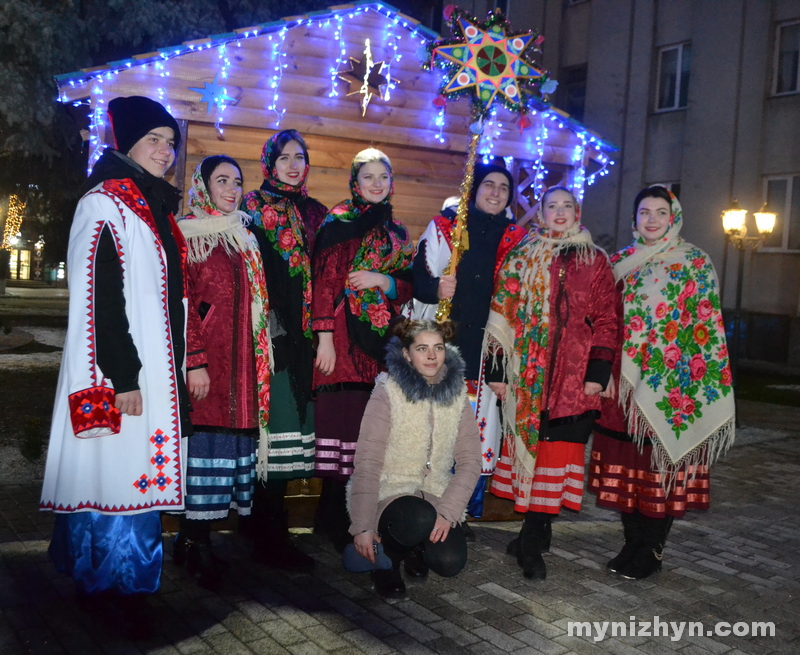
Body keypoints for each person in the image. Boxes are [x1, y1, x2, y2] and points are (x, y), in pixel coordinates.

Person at [39, 96, 189, 622]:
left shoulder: (150, 206)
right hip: (122, 374)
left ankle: (108, 579)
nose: (166, 152)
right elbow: (99, 296)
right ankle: (116, 589)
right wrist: (123, 374)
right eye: (154, 140)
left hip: (151, 368)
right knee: (118, 476)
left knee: (123, 475)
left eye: (171, 143)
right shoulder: (105, 203)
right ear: (127, 143)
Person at [588, 185, 735, 580]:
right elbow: (605, 321)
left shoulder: (694, 262)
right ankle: (632, 542)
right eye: (644, 212)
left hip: (671, 387)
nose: (651, 219)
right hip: (621, 388)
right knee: (627, 469)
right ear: (634, 219)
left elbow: (702, 327)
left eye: (659, 212)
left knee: (658, 467)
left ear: (673, 217)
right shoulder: (619, 262)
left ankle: (651, 549)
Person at [485, 186, 618, 580]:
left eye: (567, 206)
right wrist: (497, 372)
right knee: (531, 451)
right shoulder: (522, 255)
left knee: (557, 459)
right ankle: (535, 533)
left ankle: (530, 539)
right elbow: (501, 315)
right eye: (551, 206)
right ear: (540, 212)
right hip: (526, 376)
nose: (559, 212)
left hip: (574, 381)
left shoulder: (593, 259)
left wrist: (598, 374)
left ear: (577, 212)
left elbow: (608, 319)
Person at [410, 163, 526, 525]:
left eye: (503, 188)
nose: (495, 192)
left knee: (475, 434)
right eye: (488, 185)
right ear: (473, 191)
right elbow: (417, 275)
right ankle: (424, 509)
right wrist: (435, 288)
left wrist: (501, 365)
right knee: (435, 432)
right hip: (444, 349)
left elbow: (521, 305)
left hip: (487, 356)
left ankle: (461, 513)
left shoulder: (517, 240)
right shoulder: (446, 228)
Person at [312, 148, 414, 551]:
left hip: (382, 341)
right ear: (355, 182)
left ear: (391, 183)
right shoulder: (338, 223)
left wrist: (381, 280)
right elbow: (321, 284)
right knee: (342, 427)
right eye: (367, 177)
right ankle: (332, 519)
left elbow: (407, 285)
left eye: (382, 178)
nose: (375, 184)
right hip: (341, 339)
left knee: (371, 434)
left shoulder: (399, 232)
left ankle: (364, 518)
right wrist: (323, 339)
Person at [176, 155, 270, 588]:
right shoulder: (186, 235)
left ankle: (197, 540)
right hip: (208, 366)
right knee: (203, 453)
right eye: (221, 181)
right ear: (203, 186)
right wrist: (194, 359)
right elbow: (183, 304)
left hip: (243, 367)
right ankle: (196, 543)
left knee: (227, 457)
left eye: (237, 181)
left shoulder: (245, 236)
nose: (231, 189)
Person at [348, 319, 482, 598]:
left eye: (438, 348)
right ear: (407, 354)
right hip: (390, 492)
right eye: (422, 348)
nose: (432, 356)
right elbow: (368, 462)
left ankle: (416, 549)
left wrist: (449, 511)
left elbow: (470, 461)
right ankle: (387, 560)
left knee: (449, 562)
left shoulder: (457, 394)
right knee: (417, 517)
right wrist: (362, 526)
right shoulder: (387, 392)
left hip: (435, 492)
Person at [243, 130, 327, 569]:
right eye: (284, 158)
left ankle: (271, 531)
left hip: (309, 342)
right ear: (269, 163)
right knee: (271, 435)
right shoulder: (252, 208)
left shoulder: (317, 213)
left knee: (293, 435)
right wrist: (268, 330)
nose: (293, 165)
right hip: (270, 337)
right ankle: (266, 534)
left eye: (300, 157)